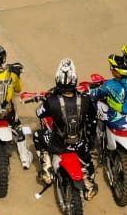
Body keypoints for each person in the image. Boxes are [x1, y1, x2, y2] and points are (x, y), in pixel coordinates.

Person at [32, 58, 98, 199]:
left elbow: (39, 113)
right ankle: (89, 184)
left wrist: (46, 101)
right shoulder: (86, 100)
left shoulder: (52, 102)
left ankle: (47, 170)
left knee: (38, 135)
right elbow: (93, 117)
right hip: (80, 146)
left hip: (58, 145)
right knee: (88, 162)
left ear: (57, 80)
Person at [91, 46, 127, 171]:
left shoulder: (109, 85)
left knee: (95, 106)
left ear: (119, 72)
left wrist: (88, 92)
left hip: (116, 122)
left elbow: (95, 95)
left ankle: (95, 138)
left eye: (113, 68)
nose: (111, 70)